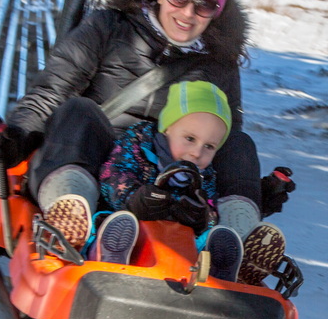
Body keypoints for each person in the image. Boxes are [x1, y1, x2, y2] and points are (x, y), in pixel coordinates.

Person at [0, 0, 294, 261]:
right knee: (78, 111)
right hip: (95, 166)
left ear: (216, 11)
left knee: (238, 143)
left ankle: (237, 240)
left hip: (174, 189)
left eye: (204, 5)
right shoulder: (108, 28)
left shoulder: (219, 66)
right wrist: (17, 136)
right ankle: (69, 215)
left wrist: (248, 191)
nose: (188, 13)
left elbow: (218, 143)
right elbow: (50, 95)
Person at [92, 80, 286, 285]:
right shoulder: (139, 144)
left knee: (212, 237)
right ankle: (108, 254)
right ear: (167, 128)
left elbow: (211, 205)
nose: (196, 152)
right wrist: (132, 197)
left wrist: (203, 218)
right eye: (190, 139)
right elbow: (113, 171)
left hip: (182, 244)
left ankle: (224, 268)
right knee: (107, 223)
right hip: (132, 222)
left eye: (209, 146)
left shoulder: (204, 174)